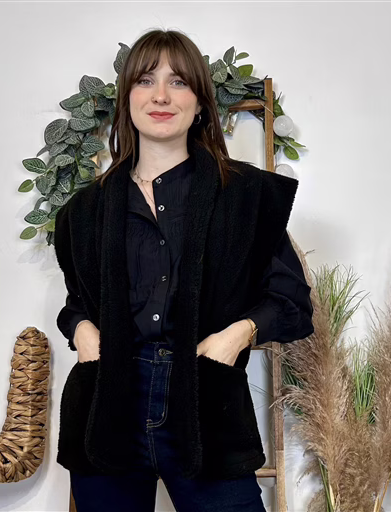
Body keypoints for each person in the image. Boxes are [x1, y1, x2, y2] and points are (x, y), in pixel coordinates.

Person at [54, 28, 314, 512]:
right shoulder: (84, 210)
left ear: (199, 103)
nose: (160, 96)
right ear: (127, 97)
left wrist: (235, 336)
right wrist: (81, 329)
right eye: (145, 80)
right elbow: (77, 302)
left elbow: (292, 303)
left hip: (206, 405)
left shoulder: (246, 197)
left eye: (178, 82)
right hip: (107, 408)